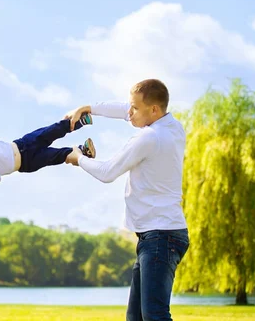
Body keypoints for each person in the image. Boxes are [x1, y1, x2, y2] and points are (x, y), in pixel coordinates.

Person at [64, 79, 189, 321]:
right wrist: (88, 108)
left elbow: (107, 172)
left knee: (154, 315)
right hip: (158, 236)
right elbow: (124, 110)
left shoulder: (149, 138)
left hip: (160, 236)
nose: (129, 113)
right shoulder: (172, 126)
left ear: (153, 110)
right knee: (137, 318)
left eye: (134, 108)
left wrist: (77, 158)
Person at [0, 113, 96, 181]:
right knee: (56, 155)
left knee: (51, 131)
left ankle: (79, 121)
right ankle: (82, 151)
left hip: (24, 144)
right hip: (27, 163)